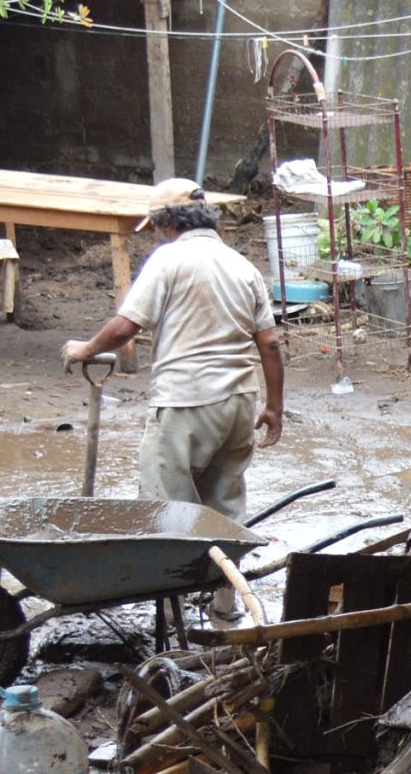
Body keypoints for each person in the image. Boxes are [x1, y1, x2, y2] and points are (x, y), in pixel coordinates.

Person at [63, 180, 284, 525]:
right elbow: (269, 344)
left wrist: (86, 349)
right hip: (240, 402)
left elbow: (126, 326)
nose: (154, 235)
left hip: (187, 400)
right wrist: (273, 407)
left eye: (154, 227)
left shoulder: (168, 259)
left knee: (164, 507)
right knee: (224, 507)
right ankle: (224, 575)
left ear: (168, 223)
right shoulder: (244, 266)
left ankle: (172, 576)